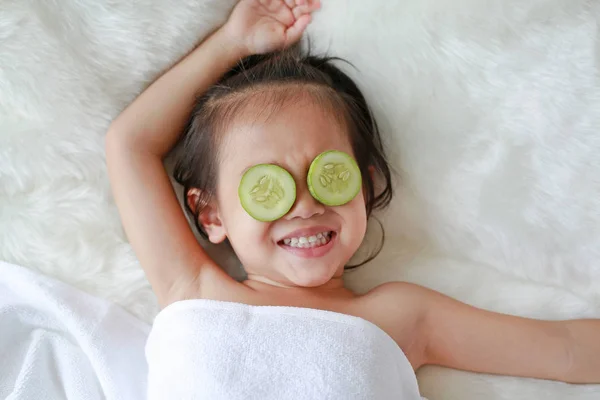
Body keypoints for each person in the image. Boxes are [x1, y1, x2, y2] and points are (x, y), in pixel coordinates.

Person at [105, 0, 600, 398]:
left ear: (363, 188)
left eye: (329, 176)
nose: (303, 205)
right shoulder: (191, 286)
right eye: (267, 187)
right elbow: (129, 145)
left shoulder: (403, 316)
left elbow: (566, 350)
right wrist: (230, 43)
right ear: (211, 214)